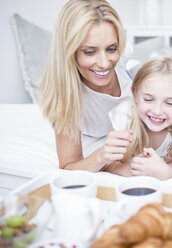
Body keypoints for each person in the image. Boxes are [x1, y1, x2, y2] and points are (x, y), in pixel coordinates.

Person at [39, 0, 133, 172]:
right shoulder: (66, 99)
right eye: (90, 52)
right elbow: (69, 165)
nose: (104, 63)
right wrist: (101, 156)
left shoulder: (123, 54)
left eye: (111, 49)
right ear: (69, 52)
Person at [108, 56, 172, 180]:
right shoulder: (123, 115)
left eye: (169, 103)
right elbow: (109, 163)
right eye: (148, 99)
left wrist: (165, 171)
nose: (157, 111)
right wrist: (133, 169)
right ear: (135, 93)